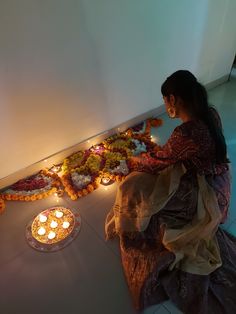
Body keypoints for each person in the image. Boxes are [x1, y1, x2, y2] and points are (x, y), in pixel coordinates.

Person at [105, 70, 236, 314]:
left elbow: (159, 160)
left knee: (133, 185)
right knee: (158, 178)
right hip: (221, 184)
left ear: (173, 100)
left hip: (205, 195)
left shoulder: (184, 134)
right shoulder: (211, 113)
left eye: (165, 100)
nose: (166, 106)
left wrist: (132, 164)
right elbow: (173, 154)